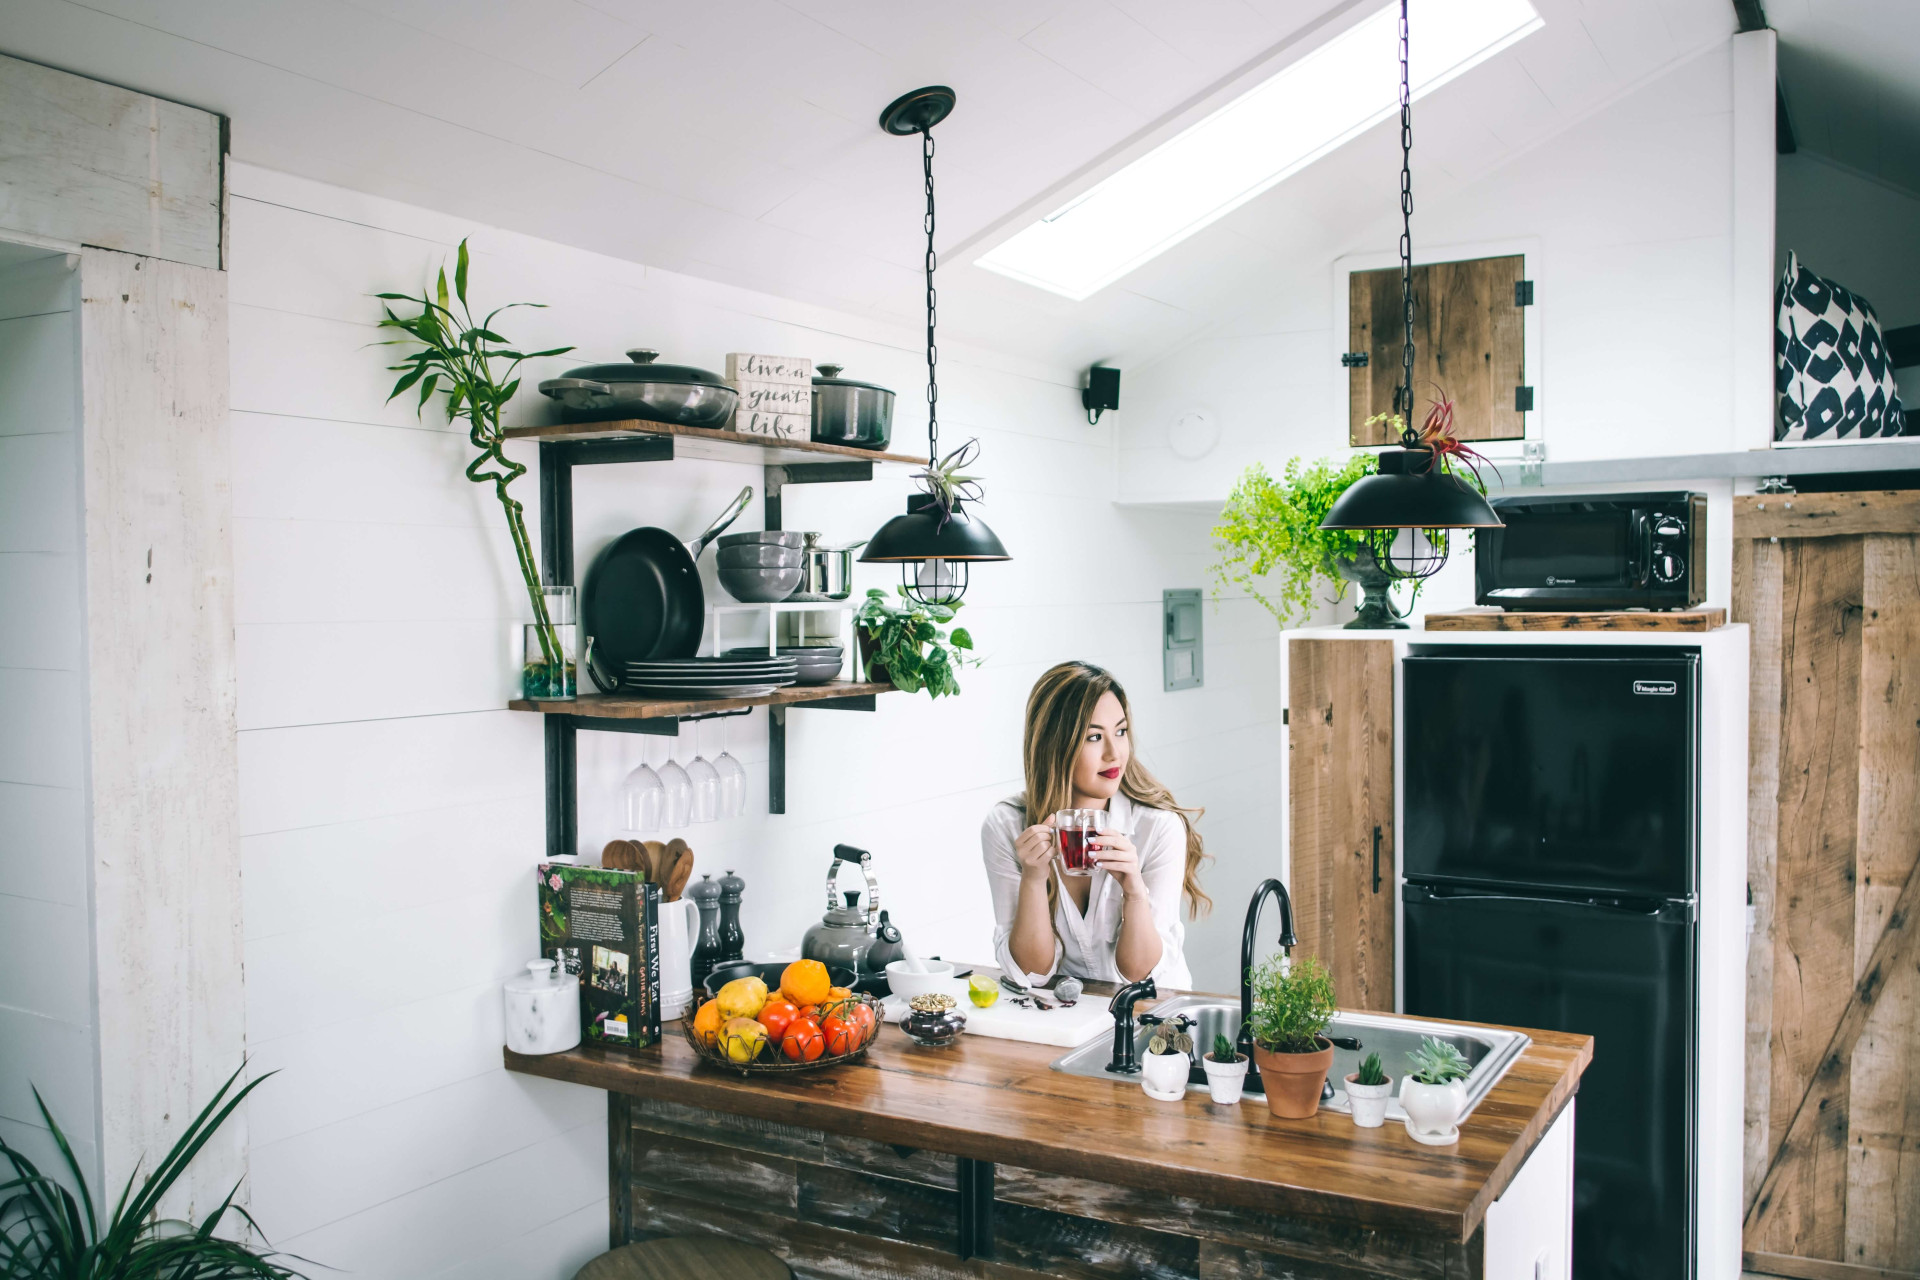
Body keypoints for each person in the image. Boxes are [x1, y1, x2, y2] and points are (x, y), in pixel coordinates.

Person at [981, 661, 1209, 989]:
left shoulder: (1158, 828)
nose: (1114, 752)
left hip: (1158, 1020)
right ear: (1054, 745)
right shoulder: (1006, 826)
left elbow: (1139, 974)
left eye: (1120, 731)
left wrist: (1133, 889)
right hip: (1073, 1018)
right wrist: (1033, 879)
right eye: (1094, 737)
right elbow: (1032, 972)